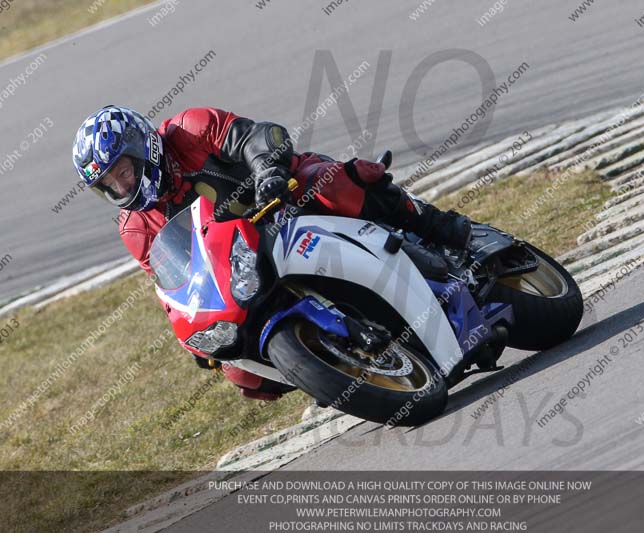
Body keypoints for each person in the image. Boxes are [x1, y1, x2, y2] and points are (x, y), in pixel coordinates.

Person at [72, 105, 471, 401]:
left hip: (287, 201)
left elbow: (260, 136)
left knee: (340, 185)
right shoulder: (136, 228)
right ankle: (335, 367)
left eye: (124, 172)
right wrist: (195, 337)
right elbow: (173, 285)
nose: (122, 187)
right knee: (239, 372)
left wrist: (268, 170)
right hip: (243, 263)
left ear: (143, 148)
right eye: (110, 185)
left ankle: (441, 228)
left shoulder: (190, 128)